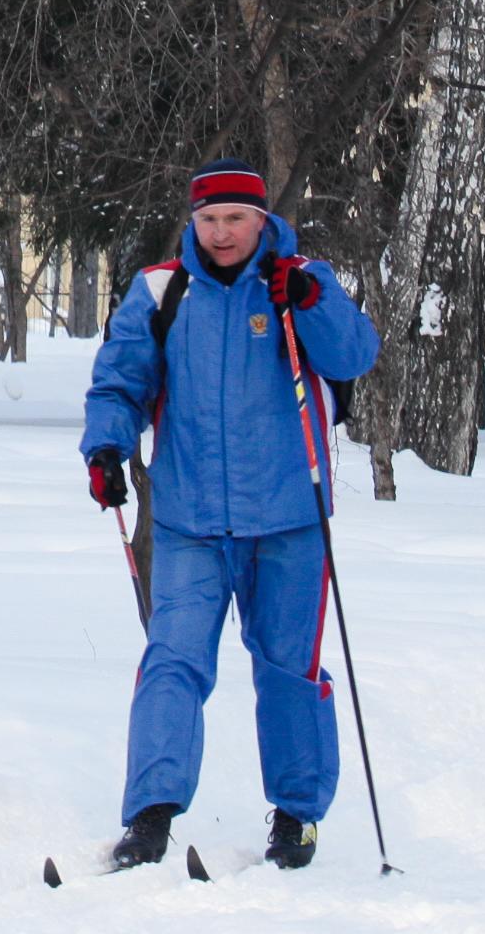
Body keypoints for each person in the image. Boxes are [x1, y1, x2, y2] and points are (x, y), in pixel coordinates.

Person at [79, 157, 380, 872]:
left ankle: (297, 818)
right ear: (193, 220)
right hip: (189, 518)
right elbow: (120, 379)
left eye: (235, 219)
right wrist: (106, 450)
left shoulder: (300, 281)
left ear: (261, 219)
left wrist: (309, 301)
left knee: (287, 670)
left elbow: (355, 353)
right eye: (208, 219)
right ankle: (150, 816)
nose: (221, 233)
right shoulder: (161, 289)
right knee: (172, 663)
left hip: (288, 518)